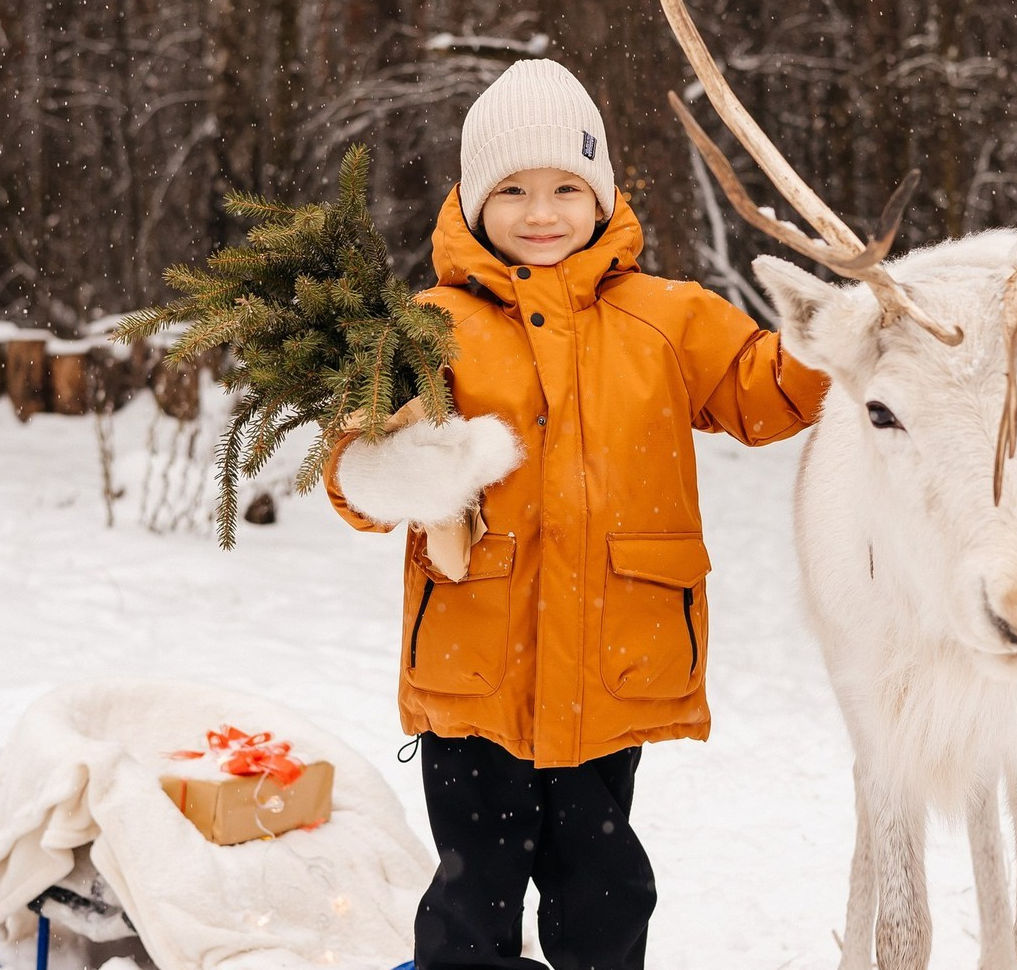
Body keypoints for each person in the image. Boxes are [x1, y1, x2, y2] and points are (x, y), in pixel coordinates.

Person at [324, 58, 828, 970]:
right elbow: (354, 471)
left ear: (602, 195)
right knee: (471, 887)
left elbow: (766, 397)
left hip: (612, 661)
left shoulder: (669, 318)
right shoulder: (428, 323)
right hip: (475, 669)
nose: (542, 212)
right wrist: (405, 467)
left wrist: (838, 333)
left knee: (604, 883)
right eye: (512, 190)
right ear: (474, 202)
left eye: (565, 186)